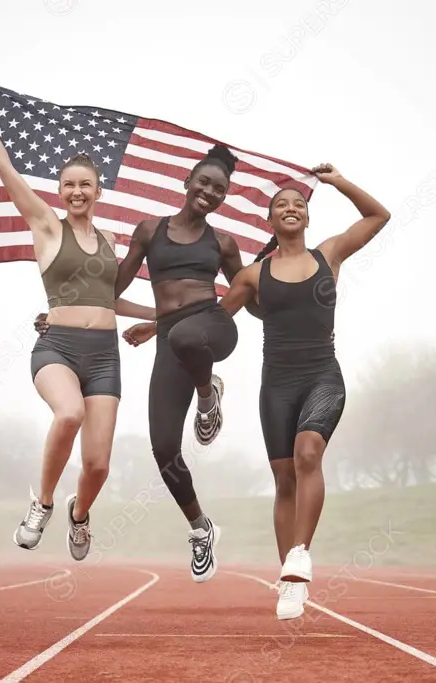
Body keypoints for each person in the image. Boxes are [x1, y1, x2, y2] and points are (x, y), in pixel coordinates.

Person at [125, 164, 390, 617]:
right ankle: (289, 581)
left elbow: (377, 217)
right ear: (269, 221)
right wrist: (157, 326)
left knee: (309, 454)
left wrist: (338, 182)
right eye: (281, 205)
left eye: (299, 205)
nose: (291, 208)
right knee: (284, 480)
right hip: (277, 385)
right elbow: (214, 315)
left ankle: (301, 554)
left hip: (323, 375)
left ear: (307, 219)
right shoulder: (251, 275)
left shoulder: (330, 254)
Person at [0, 80, 156, 561]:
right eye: (68, 184)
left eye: (84, 185)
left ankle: (79, 514)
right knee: (68, 413)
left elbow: (112, 301)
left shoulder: (111, 240)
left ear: (97, 191)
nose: (76, 191)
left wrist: (163, 315)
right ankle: (43, 505)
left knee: (97, 466)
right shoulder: (46, 227)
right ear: (59, 190)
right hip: (58, 348)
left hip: (105, 356)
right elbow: (5, 168)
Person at [105, 144, 263, 583]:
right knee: (163, 449)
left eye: (219, 189)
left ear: (224, 197)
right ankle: (201, 528)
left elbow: (249, 296)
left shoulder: (224, 244)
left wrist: (279, 282)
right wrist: (60, 313)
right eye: (204, 182)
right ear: (187, 182)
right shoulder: (148, 231)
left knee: (188, 333)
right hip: (173, 343)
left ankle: (207, 395)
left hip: (214, 330)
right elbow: (111, 293)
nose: (209, 192)